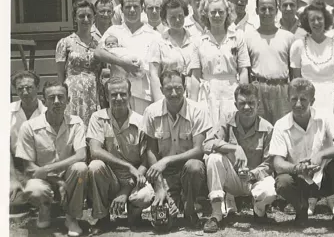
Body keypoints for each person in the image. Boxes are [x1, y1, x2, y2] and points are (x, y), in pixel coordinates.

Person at [270, 78, 334, 235]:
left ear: (312, 100)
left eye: (303, 99)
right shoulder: (281, 125)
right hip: (299, 181)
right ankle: (301, 209)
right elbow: (277, 163)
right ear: (287, 100)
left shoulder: (325, 116)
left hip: (325, 179)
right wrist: (297, 168)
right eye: (294, 99)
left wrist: (321, 155)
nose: (298, 104)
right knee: (282, 181)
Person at [15, 81, 88, 237]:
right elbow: (28, 167)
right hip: (43, 180)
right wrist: (57, 181)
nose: (56, 102)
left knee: (81, 168)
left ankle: (71, 217)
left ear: (68, 100)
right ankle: (44, 209)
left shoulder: (76, 123)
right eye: (52, 97)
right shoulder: (29, 127)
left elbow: (81, 155)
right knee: (33, 189)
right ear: (44, 100)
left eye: (61, 97)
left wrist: (48, 169)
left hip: (69, 178)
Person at [202, 84, 277, 232]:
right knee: (214, 158)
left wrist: (252, 174)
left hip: (254, 180)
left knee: (270, 190)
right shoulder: (227, 121)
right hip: (232, 179)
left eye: (251, 103)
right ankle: (216, 214)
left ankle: (259, 210)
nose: (247, 107)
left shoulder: (268, 128)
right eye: (242, 103)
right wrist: (235, 148)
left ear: (258, 104)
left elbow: (270, 163)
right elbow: (207, 144)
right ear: (236, 104)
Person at [142, 70, 212, 229]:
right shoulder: (151, 112)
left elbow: (198, 150)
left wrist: (166, 160)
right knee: (162, 225)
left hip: (190, 170)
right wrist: (160, 189)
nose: (174, 93)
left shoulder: (198, 110)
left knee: (194, 166)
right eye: (168, 89)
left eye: (178, 88)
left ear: (185, 87)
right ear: (161, 90)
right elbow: (150, 151)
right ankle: (174, 202)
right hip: (165, 175)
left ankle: (189, 207)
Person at [87, 77, 154, 234]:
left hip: (135, 178)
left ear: (130, 95)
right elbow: (95, 151)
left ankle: (134, 213)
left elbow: (145, 161)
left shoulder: (140, 121)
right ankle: (102, 217)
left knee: (144, 196)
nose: (118, 98)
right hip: (110, 178)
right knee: (95, 166)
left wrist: (126, 190)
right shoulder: (98, 118)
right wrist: (127, 166)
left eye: (123, 94)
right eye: (114, 94)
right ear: (107, 96)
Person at [95, 0, 162, 115]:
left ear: (142, 8)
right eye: (127, 7)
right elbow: (98, 52)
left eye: (136, 6)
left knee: (142, 131)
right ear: (121, 9)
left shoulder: (154, 35)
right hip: (118, 94)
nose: (132, 10)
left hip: (144, 95)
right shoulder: (114, 31)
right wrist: (123, 64)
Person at [191, 0, 251, 127]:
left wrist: (243, 97)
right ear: (206, 14)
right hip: (207, 94)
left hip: (231, 92)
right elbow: (195, 76)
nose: (217, 15)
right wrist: (192, 105)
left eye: (221, 12)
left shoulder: (237, 37)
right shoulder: (198, 41)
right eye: (213, 12)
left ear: (227, 13)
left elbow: (243, 71)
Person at [290, 4, 334, 123]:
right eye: (312, 19)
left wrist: (328, 92)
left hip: (330, 98)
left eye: (320, 18)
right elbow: (297, 79)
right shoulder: (298, 45)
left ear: (325, 20)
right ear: (307, 22)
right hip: (308, 99)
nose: (316, 22)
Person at [245, 0, 295, 125]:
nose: (267, 12)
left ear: (276, 10)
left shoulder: (288, 37)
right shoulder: (248, 37)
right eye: (263, 9)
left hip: (282, 89)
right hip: (258, 89)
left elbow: (294, 72)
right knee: (261, 129)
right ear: (256, 10)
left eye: (270, 9)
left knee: (283, 129)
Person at [56, 0, 102, 126]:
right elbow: (60, 75)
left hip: (94, 91)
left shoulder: (99, 44)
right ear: (75, 18)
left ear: (94, 18)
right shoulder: (65, 43)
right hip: (72, 91)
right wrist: (60, 96)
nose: (86, 19)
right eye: (81, 16)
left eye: (89, 16)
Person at [10, 71, 47, 212]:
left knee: (34, 193)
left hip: (39, 166)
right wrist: (12, 179)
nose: (25, 92)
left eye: (29, 87)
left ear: (37, 87)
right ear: (15, 90)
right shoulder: (7, 112)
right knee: (13, 198)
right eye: (20, 89)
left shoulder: (47, 113)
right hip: (14, 166)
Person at [149, 0, 197, 102]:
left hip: (193, 95)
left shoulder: (195, 40)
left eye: (180, 16)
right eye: (172, 17)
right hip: (170, 96)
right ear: (165, 20)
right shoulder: (158, 42)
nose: (178, 20)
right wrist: (159, 101)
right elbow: (154, 74)